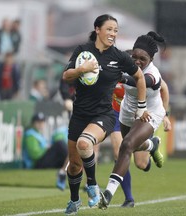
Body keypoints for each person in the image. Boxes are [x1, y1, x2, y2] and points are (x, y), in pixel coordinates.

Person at [61, 14, 147, 215]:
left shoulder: (119, 57)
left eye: (115, 30)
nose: (113, 34)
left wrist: (141, 107)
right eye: (109, 29)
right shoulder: (82, 51)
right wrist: (82, 69)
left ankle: (92, 185)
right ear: (97, 29)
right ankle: (74, 200)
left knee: (85, 143)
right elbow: (66, 76)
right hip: (79, 114)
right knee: (74, 166)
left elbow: (140, 78)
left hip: (104, 115)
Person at [98, 31, 168, 209]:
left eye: (142, 59)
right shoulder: (126, 60)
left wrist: (165, 116)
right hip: (127, 111)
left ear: (151, 60)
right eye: (134, 56)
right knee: (132, 146)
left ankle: (108, 194)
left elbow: (137, 80)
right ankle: (152, 145)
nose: (137, 61)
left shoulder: (153, 75)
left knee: (126, 145)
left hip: (149, 113)